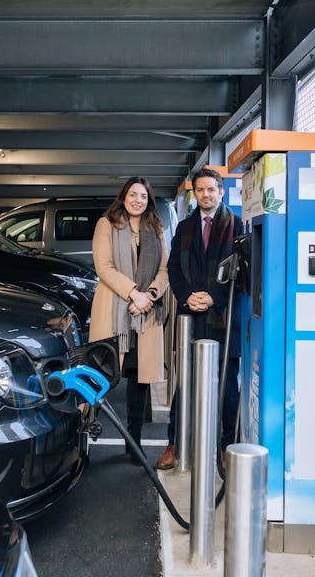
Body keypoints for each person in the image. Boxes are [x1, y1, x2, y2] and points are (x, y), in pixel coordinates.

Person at [155, 167, 241, 471]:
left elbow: (241, 270)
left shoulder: (237, 225)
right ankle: (175, 443)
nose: (206, 194)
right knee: (186, 384)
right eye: (200, 190)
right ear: (195, 193)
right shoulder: (185, 227)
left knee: (228, 386)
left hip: (223, 316)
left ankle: (226, 447)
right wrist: (187, 296)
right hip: (191, 317)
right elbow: (174, 269)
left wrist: (214, 297)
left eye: (211, 189)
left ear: (221, 191)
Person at [89, 176, 169, 461]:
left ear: (149, 201)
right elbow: (104, 267)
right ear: (123, 197)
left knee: (138, 382)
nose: (138, 200)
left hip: (145, 316)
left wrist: (150, 295)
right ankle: (83, 436)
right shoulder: (107, 224)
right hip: (113, 313)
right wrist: (135, 294)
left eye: (143, 196)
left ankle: (134, 444)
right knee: (100, 378)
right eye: (133, 195)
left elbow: (163, 269)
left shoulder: (156, 228)